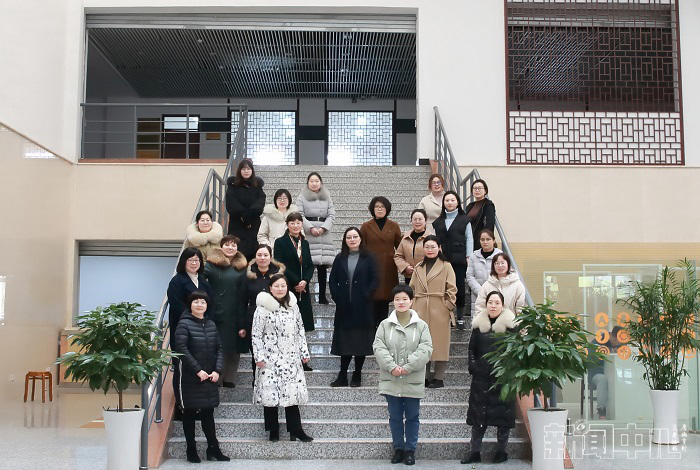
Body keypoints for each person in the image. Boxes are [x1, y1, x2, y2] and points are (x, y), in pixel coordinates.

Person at [373, 284, 433, 466]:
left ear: (411, 301)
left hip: (412, 379)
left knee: (413, 417)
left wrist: (408, 366)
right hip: (391, 378)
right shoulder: (385, 325)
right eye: (397, 299)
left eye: (405, 299)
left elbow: (426, 349)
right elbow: (378, 347)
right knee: (395, 417)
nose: (401, 302)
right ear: (393, 302)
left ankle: (410, 450)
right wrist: (391, 366)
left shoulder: (421, 326)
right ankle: (398, 448)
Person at [252, 274, 313, 443]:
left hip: (290, 357)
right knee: (270, 395)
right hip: (269, 358)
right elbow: (256, 334)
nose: (280, 289)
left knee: (292, 394)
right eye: (276, 286)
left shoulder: (293, 306)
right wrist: (259, 356)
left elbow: (300, 330)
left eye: (283, 286)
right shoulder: (262, 308)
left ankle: (296, 429)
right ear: (270, 288)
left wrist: (304, 352)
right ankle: (273, 430)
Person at [173, 290, 229, 463]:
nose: (199, 304)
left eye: (203, 302)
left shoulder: (211, 324)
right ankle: (191, 449)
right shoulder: (183, 324)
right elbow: (181, 349)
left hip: (209, 376)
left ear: (207, 305)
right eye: (196, 301)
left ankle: (213, 448)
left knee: (208, 412)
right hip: (190, 377)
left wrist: (217, 370)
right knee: (189, 412)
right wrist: (198, 370)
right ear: (190, 305)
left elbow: (220, 348)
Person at [462, 291, 517, 465]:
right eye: (490, 302)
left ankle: (502, 451)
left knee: (503, 419)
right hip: (480, 379)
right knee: (478, 419)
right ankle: (474, 452)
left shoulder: (510, 326)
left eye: (497, 302)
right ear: (486, 305)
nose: (493, 305)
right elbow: (471, 350)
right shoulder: (479, 325)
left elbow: (516, 352)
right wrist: (473, 367)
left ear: (503, 305)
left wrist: (507, 371)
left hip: (502, 380)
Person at [328, 227, 379, 387]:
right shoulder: (340, 257)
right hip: (344, 307)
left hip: (363, 307)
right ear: (345, 240)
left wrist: (366, 295)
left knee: (360, 342)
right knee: (345, 341)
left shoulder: (369, 257)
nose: (352, 239)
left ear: (360, 239)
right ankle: (342, 374)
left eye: (355, 236)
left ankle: (357, 373)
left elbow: (375, 279)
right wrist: (337, 297)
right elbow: (333, 279)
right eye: (349, 237)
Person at [167, 248, 213, 411]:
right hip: (184, 330)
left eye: (197, 260)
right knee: (183, 368)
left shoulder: (203, 280)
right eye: (190, 260)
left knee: (199, 367)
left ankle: (198, 406)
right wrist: (194, 319)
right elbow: (177, 305)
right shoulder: (176, 281)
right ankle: (182, 406)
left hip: (202, 332)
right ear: (184, 262)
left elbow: (210, 303)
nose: (194, 263)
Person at [409, 235, 457, 389]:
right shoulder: (418, 267)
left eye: (433, 247)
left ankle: (438, 378)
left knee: (440, 344)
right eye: (427, 247)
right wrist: (412, 306)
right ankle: (424, 376)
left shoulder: (446, 266)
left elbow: (452, 288)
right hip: (420, 308)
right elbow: (411, 288)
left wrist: (448, 305)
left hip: (439, 309)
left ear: (439, 248)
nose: (430, 250)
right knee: (422, 343)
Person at [203, 235, 248, 388]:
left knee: (235, 347)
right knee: (219, 345)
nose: (230, 248)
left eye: (233, 245)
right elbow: (200, 280)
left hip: (238, 311)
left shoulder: (242, 267)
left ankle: (230, 378)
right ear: (221, 247)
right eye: (227, 244)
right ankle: (218, 376)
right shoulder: (211, 264)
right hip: (218, 311)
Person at [274, 212, 315, 371]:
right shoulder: (280, 242)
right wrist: (296, 281)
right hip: (288, 288)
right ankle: (287, 359)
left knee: (301, 326)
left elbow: (310, 265)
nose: (296, 225)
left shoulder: (305, 243)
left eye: (298, 222)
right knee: (287, 326)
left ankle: (303, 360)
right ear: (287, 224)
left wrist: (305, 281)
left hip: (303, 289)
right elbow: (280, 264)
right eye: (292, 222)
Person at [241, 245, 285, 377]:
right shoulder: (248, 275)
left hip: (275, 321)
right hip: (253, 321)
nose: (262, 258)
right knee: (257, 356)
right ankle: (257, 384)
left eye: (266, 255)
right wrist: (241, 325)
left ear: (270, 257)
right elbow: (242, 301)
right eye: (259, 255)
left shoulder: (278, 276)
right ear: (255, 257)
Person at [432, 191, 473, 328]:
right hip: (442, 260)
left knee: (459, 289)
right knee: (443, 288)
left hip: (459, 260)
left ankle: (460, 317)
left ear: (457, 202)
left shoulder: (465, 219)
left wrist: (469, 256)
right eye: (447, 200)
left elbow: (469, 239)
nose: (449, 203)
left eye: (452, 200)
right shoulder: (438, 222)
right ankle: (446, 315)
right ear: (443, 203)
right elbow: (435, 240)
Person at [360, 196, 402, 327]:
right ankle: (372, 330)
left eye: (382, 206)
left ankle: (383, 328)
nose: (380, 209)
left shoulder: (394, 226)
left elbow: (400, 247)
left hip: (387, 268)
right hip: (371, 268)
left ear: (387, 209)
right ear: (372, 209)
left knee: (384, 299)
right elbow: (360, 248)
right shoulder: (366, 226)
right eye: (377, 207)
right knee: (372, 298)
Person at [296, 172, 336, 304]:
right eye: (311, 181)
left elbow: (331, 214)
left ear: (321, 182)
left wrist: (324, 228)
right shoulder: (302, 197)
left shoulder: (327, 196)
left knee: (322, 266)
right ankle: (305, 295)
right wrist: (310, 228)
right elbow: (299, 215)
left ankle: (322, 296)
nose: (314, 183)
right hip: (309, 233)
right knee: (308, 265)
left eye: (317, 181)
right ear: (307, 183)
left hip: (324, 233)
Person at [225, 158, 266, 260]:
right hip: (237, 224)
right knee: (236, 255)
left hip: (254, 224)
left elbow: (260, 202)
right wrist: (243, 216)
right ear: (239, 170)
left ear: (252, 170)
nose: (246, 171)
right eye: (243, 169)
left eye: (248, 169)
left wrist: (249, 215)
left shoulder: (257, 186)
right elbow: (231, 203)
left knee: (254, 254)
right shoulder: (233, 186)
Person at [474, 253, 526, 317]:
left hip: (511, 321)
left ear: (508, 264)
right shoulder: (487, 285)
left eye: (502, 263)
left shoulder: (518, 285)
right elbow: (480, 306)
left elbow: (521, 308)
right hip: (491, 322)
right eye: (497, 263)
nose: (500, 266)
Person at [588, 326, 623, 419]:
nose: (617, 344)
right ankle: (601, 410)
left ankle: (622, 409)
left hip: (614, 374)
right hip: (596, 374)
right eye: (616, 341)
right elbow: (592, 362)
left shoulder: (620, 345)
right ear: (611, 336)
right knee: (603, 379)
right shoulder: (597, 342)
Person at [466, 229, 503, 316]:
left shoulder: (500, 256)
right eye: (482, 239)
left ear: (493, 240)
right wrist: (481, 291)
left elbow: (503, 275)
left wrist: (491, 292)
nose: (485, 242)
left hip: (495, 295)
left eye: (488, 239)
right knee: (479, 320)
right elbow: (469, 276)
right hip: (477, 295)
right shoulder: (474, 256)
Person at [394, 208, 432, 284]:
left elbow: (437, 257)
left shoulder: (431, 237)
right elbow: (398, 256)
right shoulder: (406, 237)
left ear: (425, 221)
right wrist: (405, 267)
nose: (417, 222)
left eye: (420, 219)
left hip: (426, 277)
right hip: (409, 277)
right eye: (415, 219)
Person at [463, 179, 496, 252]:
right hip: (469, 240)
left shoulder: (488, 205)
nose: (477, 190)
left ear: (485, 191)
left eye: (480, 188)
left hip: (481, 242)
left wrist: (484, 239)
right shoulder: (470, 206)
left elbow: (489, 224)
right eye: (475, 188)